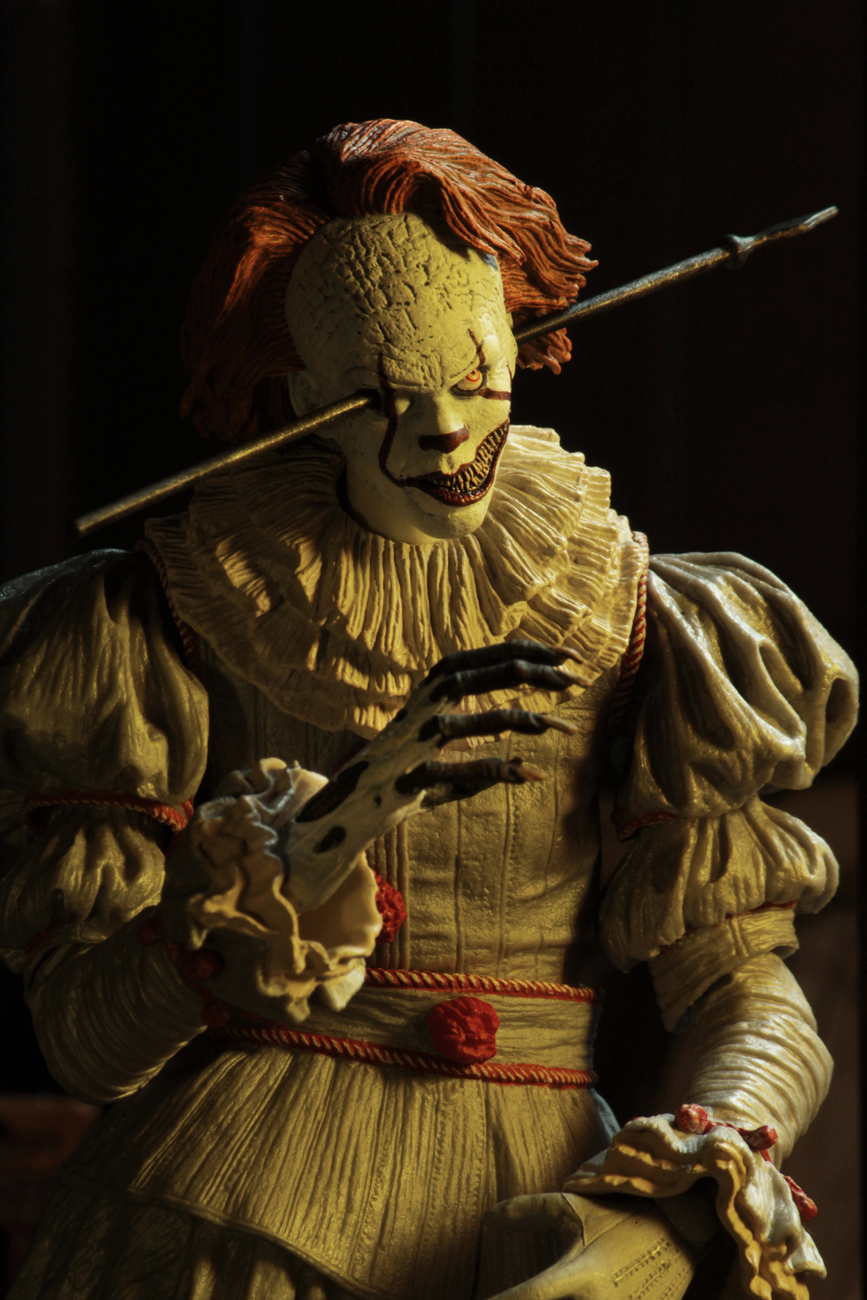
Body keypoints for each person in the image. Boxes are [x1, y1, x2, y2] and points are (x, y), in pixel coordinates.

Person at [0, 119, 857, 1300]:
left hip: (546, 1227)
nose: (445, 429)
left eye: (472, 372)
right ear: (301, 393)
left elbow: (745, 987)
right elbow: (85, 1043)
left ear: (522, 337)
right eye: (378, 395)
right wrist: (312, 846)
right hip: (229, 1217)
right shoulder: (170, 611)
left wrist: (705, 1165)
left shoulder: (639, 614)